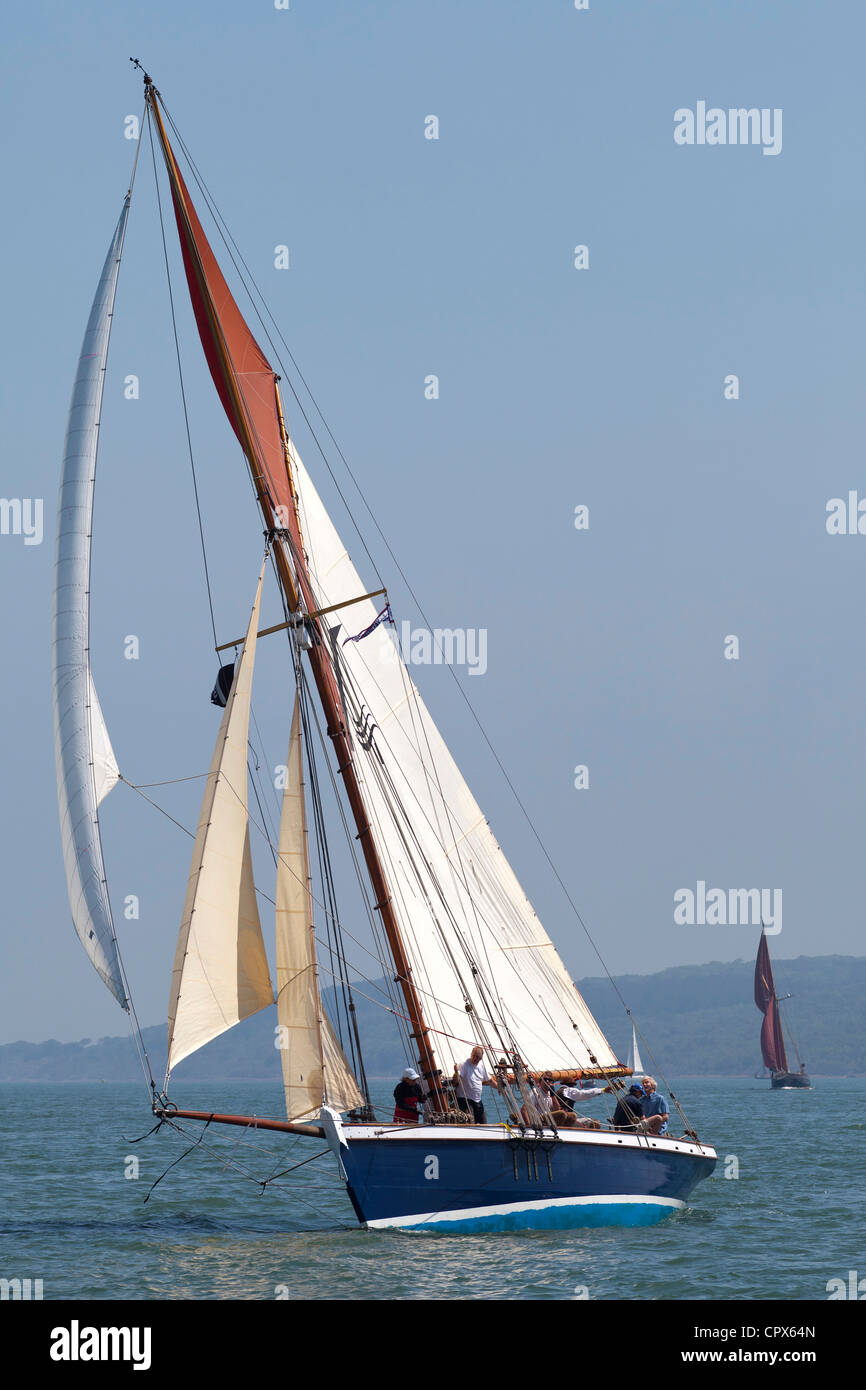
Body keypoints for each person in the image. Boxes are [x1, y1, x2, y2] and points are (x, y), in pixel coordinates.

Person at [455, 1045, 498, 1124]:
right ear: (471, 1054)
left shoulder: (481, 1067)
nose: (475, 1058)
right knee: (470, 1123)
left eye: (477, 1057)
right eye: (474, 1055)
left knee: (484, 1124)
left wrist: (499, 1088)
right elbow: (456, 1080)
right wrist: (455, 1072)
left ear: (481, 1058)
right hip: (465, 1100)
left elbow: (490, 1081)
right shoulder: (464, 1065)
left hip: (477, 1100)